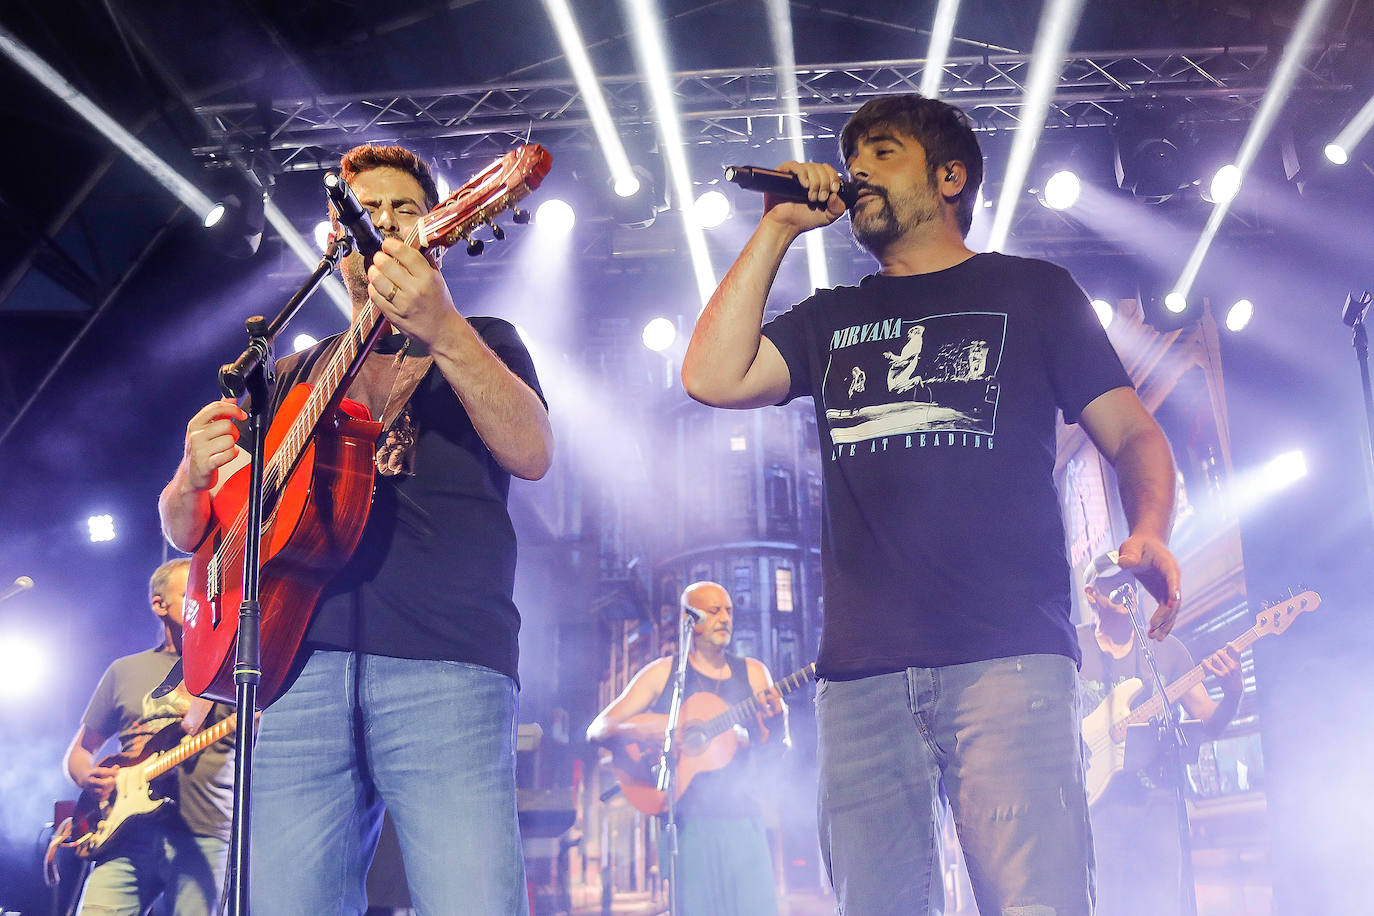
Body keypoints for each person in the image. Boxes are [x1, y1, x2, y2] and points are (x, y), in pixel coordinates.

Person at [681, 92, 1183, 915]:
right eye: (853, 157)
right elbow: (709, 377)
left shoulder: (1034, 292)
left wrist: (1152, 529)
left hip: (1008, 662)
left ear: (950, 177)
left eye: (882, 152)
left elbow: (1133, 435)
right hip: (861, 681)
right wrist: (774, 228)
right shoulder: (831, 318)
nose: (857, 170)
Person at [157, 143, 553, 915]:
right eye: (364, 212)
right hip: (296, 669)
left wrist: (445, 331)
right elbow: (196, 532)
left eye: (404, 210)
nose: (383, 224)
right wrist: (188, 479)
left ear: (438, 229)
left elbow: (533, 452)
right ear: (336, 242)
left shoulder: (488, 339)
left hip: (447, 662)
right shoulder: (296, 372)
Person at [586, 581, 788, 916]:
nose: (725, 618)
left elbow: (776, 754)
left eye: (728, 611)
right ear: (688, 620)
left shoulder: (754, 674)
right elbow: (598, 730)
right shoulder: (663, 674)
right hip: (685, 824)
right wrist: (655, 729)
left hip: (745, 821)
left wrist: (779, 726)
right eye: (713, 611)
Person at [65, 557, 236, 916]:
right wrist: (89, 777)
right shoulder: (125, 670)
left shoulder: (234, 667)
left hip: (204, 833)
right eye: (191, 592)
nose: (204, 600)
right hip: (124, 833)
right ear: (159, 604)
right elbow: (80, 752)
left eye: (209, 592)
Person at [1078, 564, 1242, 916]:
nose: (1126, 589)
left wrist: (1233, 693)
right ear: (1092, 594)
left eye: (1129, 582)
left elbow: (1211, 723)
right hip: (1098, 810)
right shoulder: (1073, 649)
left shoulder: (1163, 650)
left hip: (1159, 806)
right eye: (1113, 584)